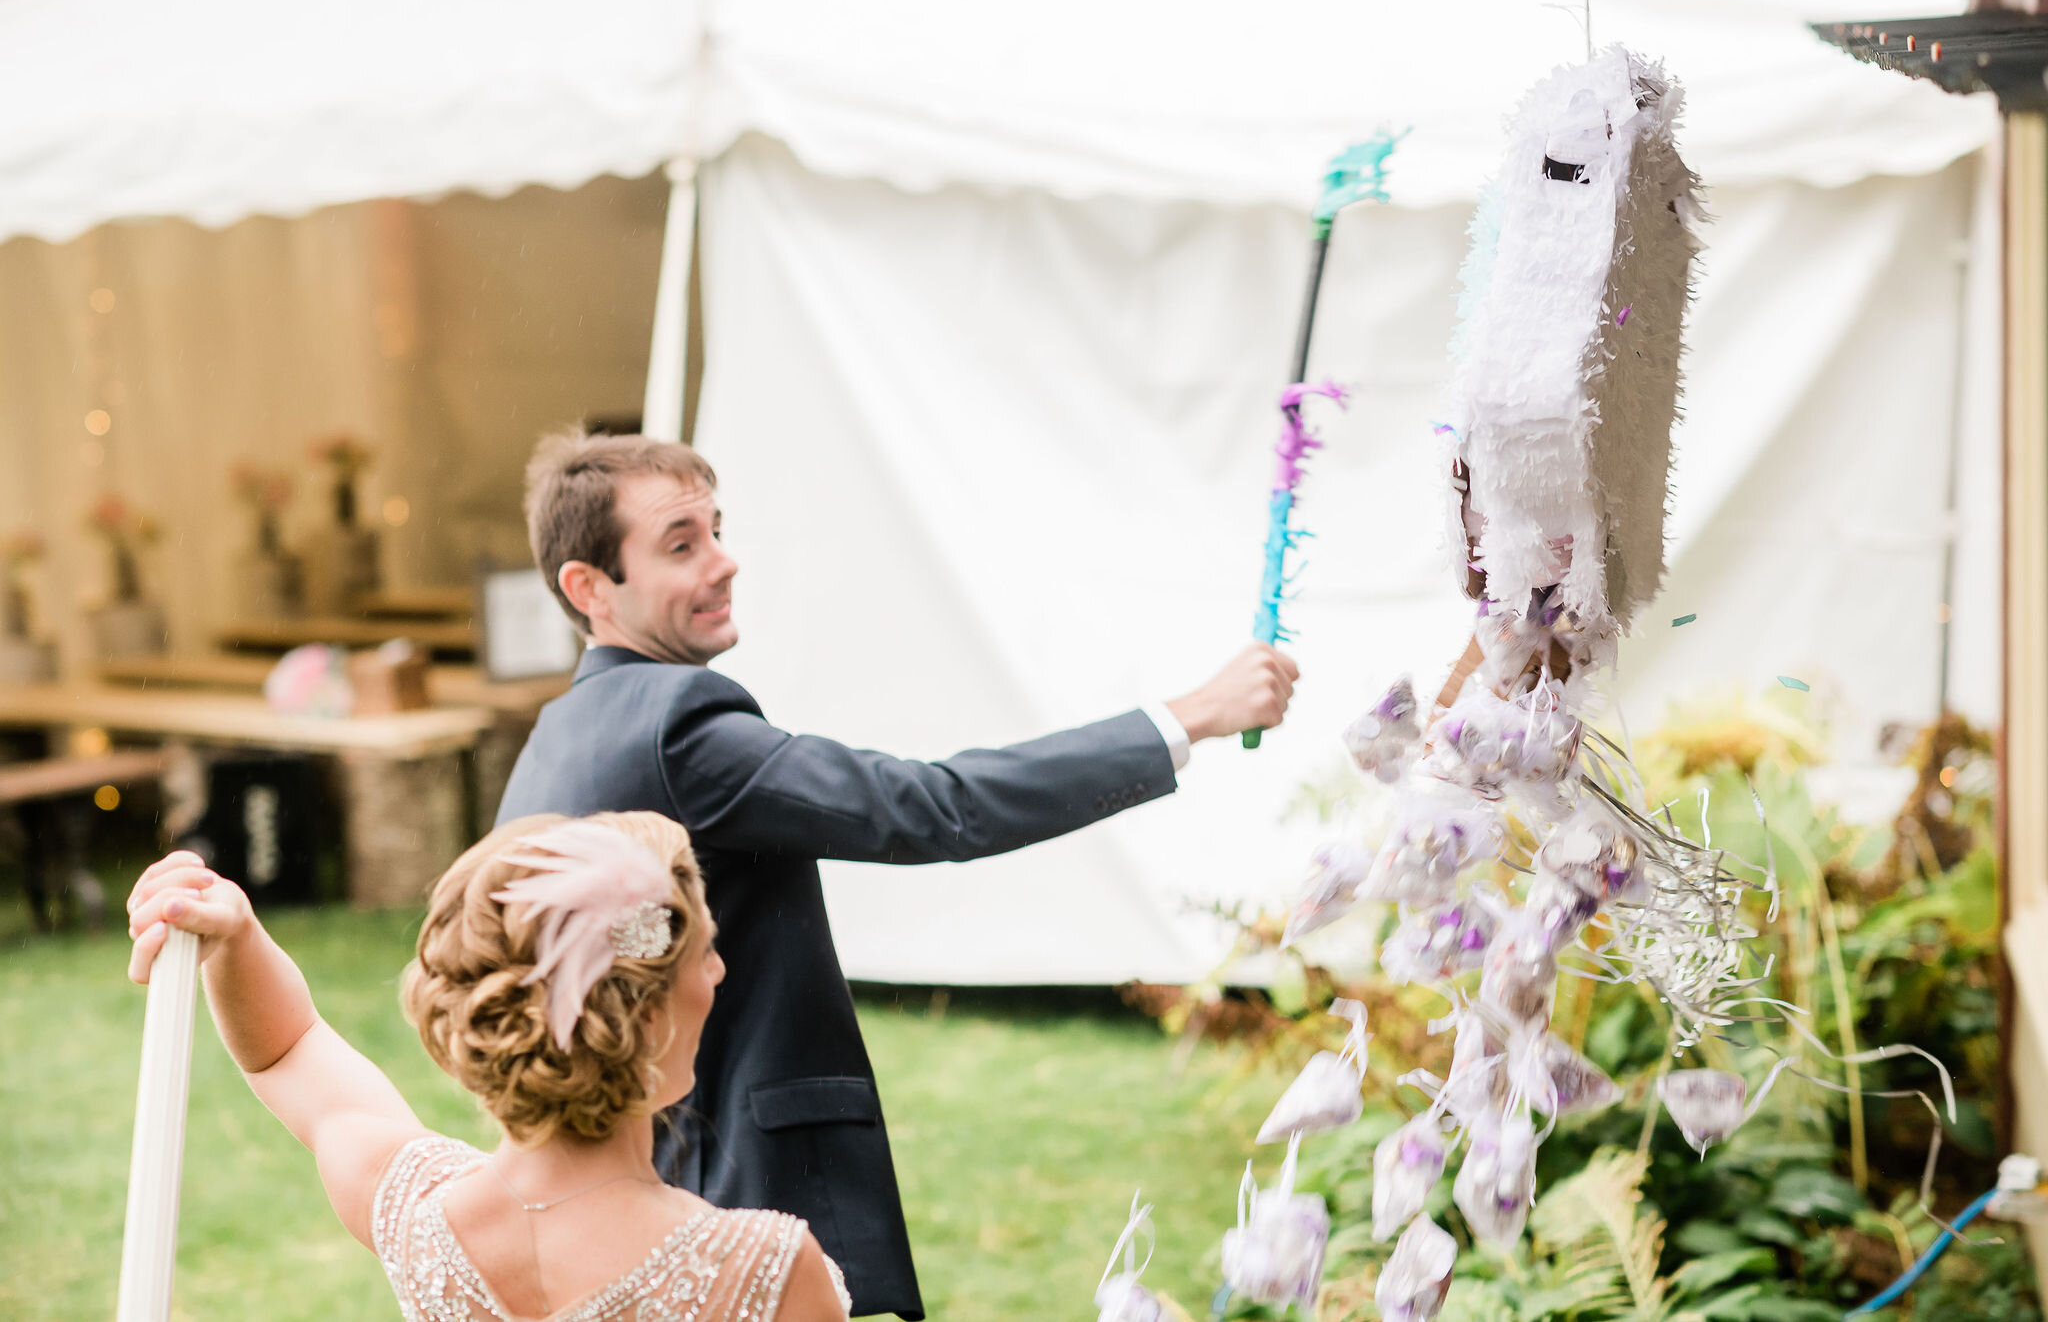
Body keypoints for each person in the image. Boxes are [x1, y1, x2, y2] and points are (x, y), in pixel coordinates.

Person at [495, 431, 1301, 1319]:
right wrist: (1188, 717)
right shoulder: (678, 724)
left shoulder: (556, 739)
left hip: (622, 1181)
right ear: (588, 587)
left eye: (718, 529)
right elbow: (933, 806)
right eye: (681, 544)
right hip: (733, 1173)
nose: (725, 563)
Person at [123, 811, 851, 1322]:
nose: (719, 972)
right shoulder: (764, 1272)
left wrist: (236, 934)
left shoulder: (423, 1219)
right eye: (705, 952)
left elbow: (288, 1049)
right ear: (650, 1016)